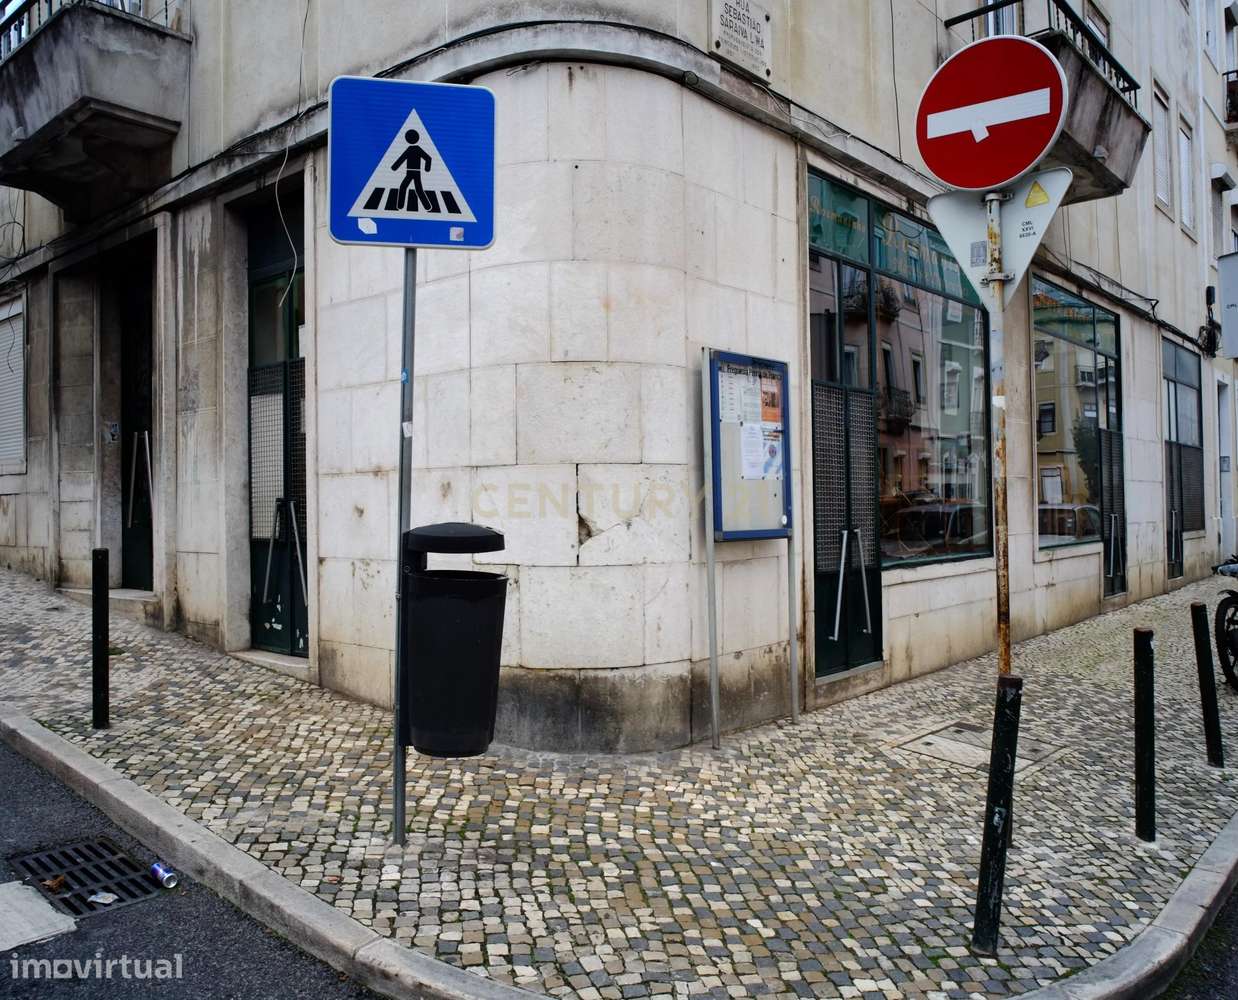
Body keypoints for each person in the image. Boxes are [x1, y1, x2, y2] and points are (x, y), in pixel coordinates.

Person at [392, 130, 437, 212]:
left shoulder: (412, 149)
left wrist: (394, 167)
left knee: (410, 188)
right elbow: (428, 158)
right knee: (408, 188)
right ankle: (426, 207)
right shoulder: (415, 149)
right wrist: (427, 168)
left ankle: (427, 207)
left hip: (414, 172)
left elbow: (402, 159)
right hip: (412, 172)